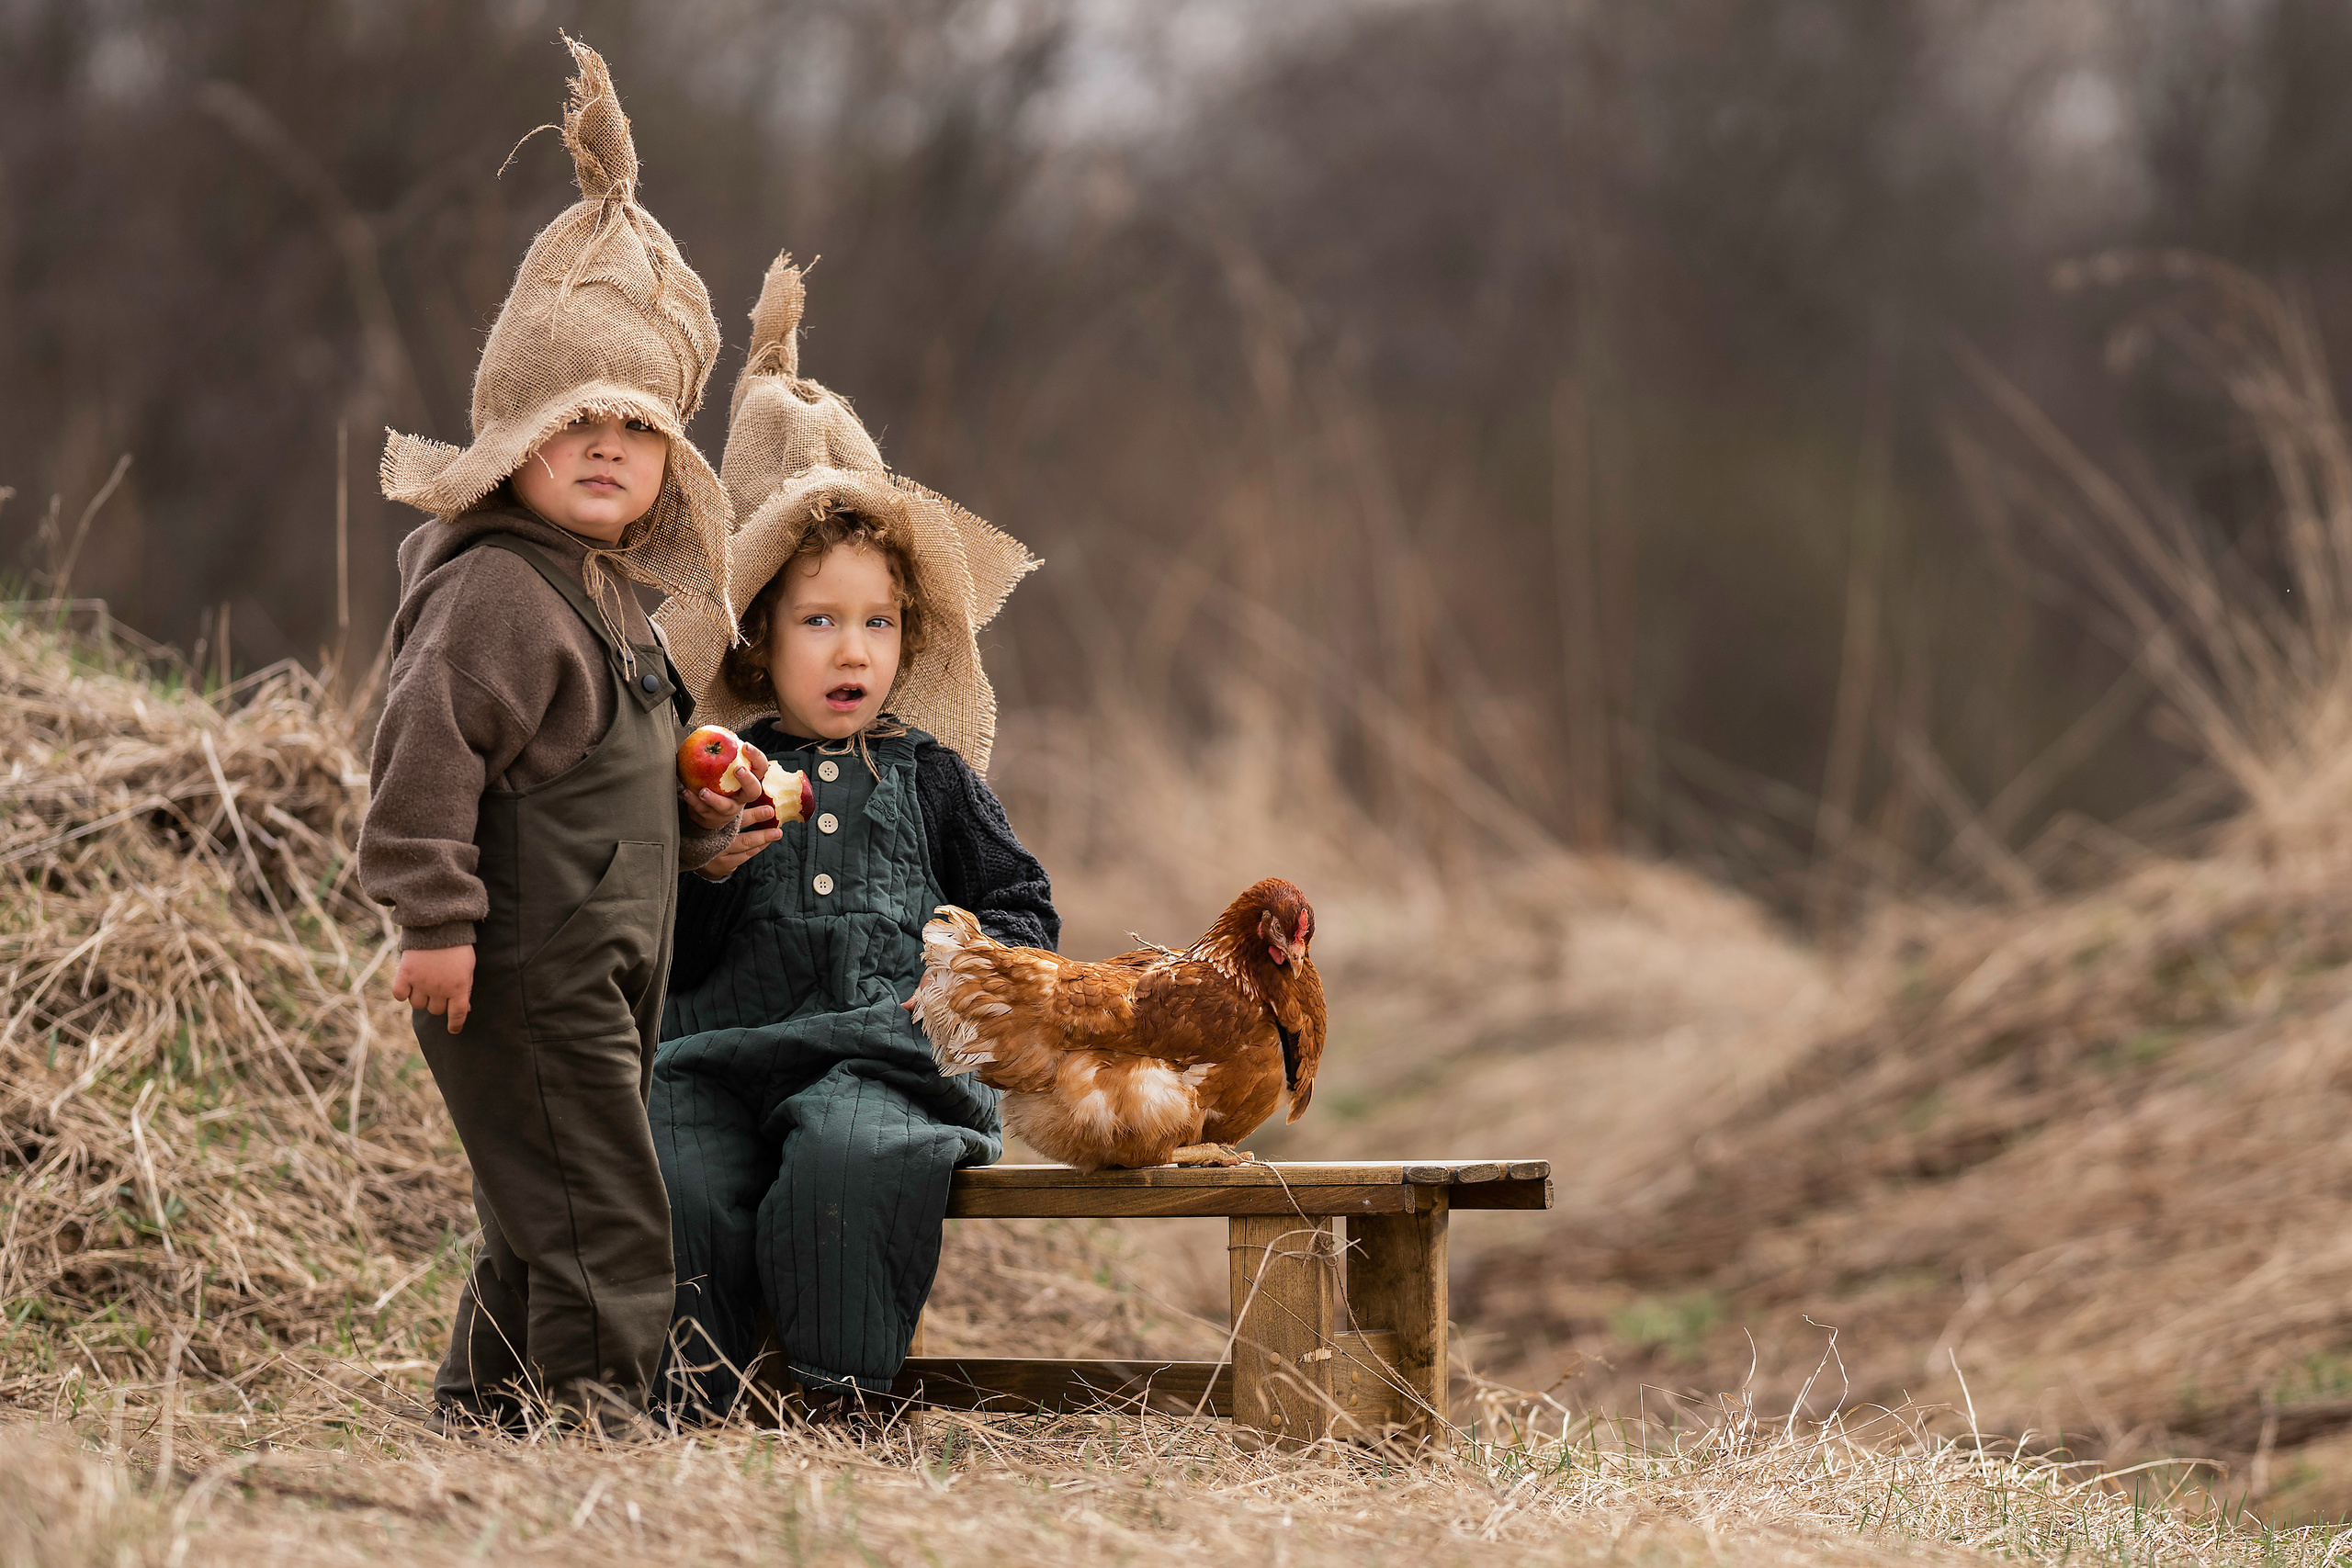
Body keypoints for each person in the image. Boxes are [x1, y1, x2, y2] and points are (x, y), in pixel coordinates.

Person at [357, 40, 757, 1431]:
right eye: (572, 418)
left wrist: (704, 826)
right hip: (519, 960)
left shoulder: (620, 603)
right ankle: (597, 1421)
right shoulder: (494, 591)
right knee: (603, 1206)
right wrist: (432, 917)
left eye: (635, 426)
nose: (604, 443)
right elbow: (422, 751)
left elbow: (610, 782)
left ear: (667, 460)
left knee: (548, 1197)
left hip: (603, 964)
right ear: (514, 434)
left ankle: (485, 1410)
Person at [650, 252, 1054, 1418]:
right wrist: (709, 855)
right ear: (756, 643)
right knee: (675, 1168)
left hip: (889, 1057)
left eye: (876, 623)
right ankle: (693, 1393)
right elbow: (672, 946)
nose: (851, 651)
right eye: (818, 621)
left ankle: (837, 1396)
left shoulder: (933, 778)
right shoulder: (717, 780)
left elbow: (1026, 908)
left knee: (851, 1159)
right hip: (720, 1049)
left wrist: (967, 965)